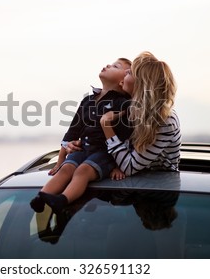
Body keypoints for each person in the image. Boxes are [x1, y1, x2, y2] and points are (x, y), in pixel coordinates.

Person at [30, 58, 133, 213]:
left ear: (122, 81)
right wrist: (60, 160)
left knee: (82, 171)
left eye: (115, 66)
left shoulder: (123, 103)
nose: (107, 65)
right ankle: (42, 197)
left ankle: (63, 200)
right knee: (66, 168)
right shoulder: (88, 100)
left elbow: (127, 136)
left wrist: (120, 167)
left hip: (105, 153)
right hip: (83, 149)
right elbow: (73, 131)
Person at [100, 51, 181, 179]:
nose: (126, 72)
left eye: (130, 72)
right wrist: (77, 144)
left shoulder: (165, 119)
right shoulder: (129, 108)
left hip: (157, 189)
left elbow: (129, 167)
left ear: (142, 84)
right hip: (128, 188)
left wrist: (106, 126)